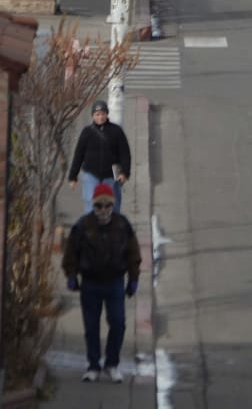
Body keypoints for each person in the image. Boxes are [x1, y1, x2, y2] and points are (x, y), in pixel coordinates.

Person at [62, 183, 141, 384]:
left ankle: (112, 363)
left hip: (114, 282)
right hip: (90, 283)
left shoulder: (123, 225)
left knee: (118, 323)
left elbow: (133, 254)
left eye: (107, 206)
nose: (104, 210)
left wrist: (133, 279)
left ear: (112, 205)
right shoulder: (82, 226)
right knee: (91, 327)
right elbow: (71, 253)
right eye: (99, 206)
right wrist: (71, 275)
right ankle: (93, 365)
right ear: (93, 206)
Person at [67, 101, 132, 214]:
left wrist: (125, 172)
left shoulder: (116, 131)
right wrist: (73, 176)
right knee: (90, 203)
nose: (100, 117)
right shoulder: (87, 132)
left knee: (113, 204)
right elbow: (79, 154)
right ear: (92, 116)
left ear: (107, 114)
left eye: (103, 113)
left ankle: (113, 227)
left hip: (112, 173)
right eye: (97, 114)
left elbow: (125, 153)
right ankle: (91, 228)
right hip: (91, 173)